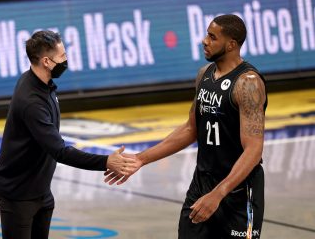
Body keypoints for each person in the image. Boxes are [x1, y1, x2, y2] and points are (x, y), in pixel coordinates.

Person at [105, 14, 267, 239]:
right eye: (206, 35)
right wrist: (141, 159)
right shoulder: (204, 75)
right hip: (202, 183)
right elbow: (191, 128)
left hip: (238, 190)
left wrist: (219, 193)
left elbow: (253, 149)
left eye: (212, 37)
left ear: (231, 45)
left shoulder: (248, 83)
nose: (204, 41)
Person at [0, 30, 137, 239]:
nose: (66, 60)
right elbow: (60, 151)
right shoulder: (31, 102)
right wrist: (106, 161)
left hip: (40, 190)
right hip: (18, 194)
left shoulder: (42, 84)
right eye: (62, 56)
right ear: (46, 61)